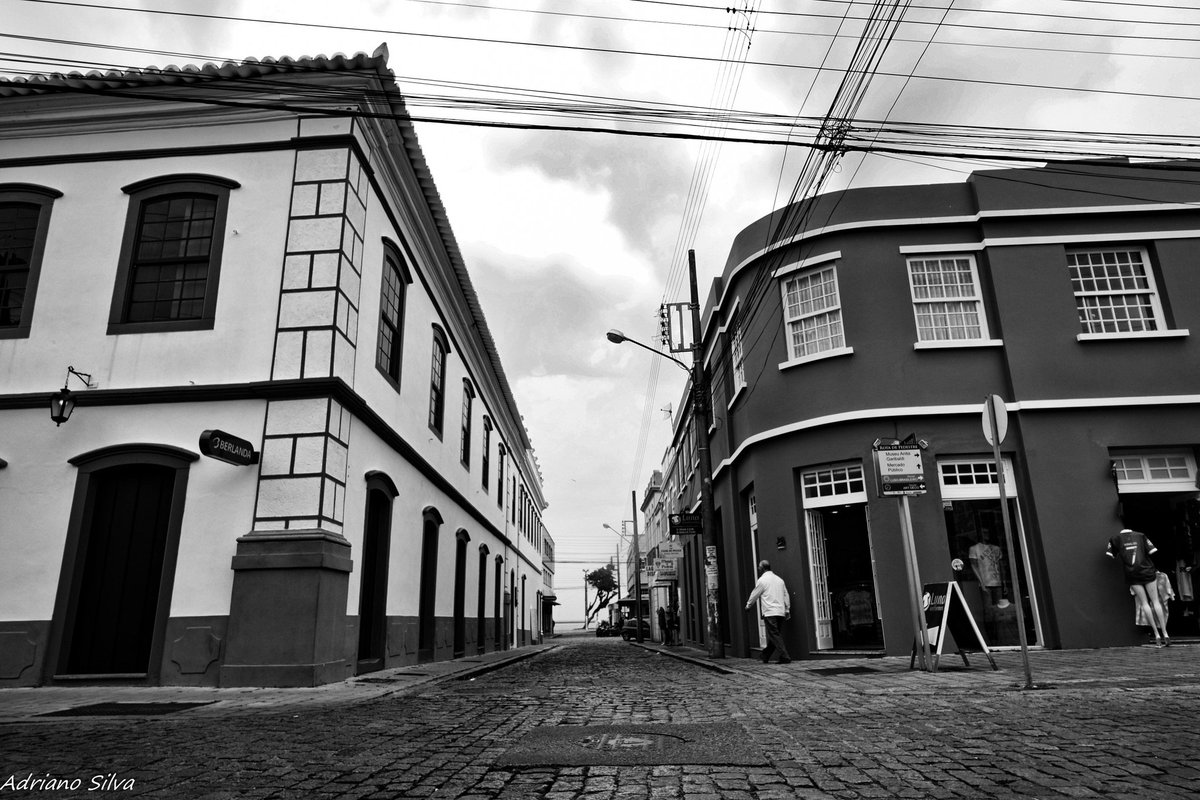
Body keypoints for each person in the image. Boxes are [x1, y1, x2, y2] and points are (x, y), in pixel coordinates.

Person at [1106, 527, 1170, 647]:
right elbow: (1152, 551)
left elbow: (1111, 554)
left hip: (1131, 573)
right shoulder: (1141, 535)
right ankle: (1165, 633)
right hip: (1147, 571)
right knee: (1155, 601)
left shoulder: (1114, 539)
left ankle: (1156, 635)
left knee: (1144, 603)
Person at [745, 559, 791, 663]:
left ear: (762, 568)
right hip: (780, 611)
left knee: (774, 635)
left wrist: (748, 605)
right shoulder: (779, 580)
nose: (758, 568)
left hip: (770, 612)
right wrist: (787, 609)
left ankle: (785, 656)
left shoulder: (762, 580)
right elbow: (786, 595)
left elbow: (755, 594)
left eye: (758, 567)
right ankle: (765, 655)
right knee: (775, 635)